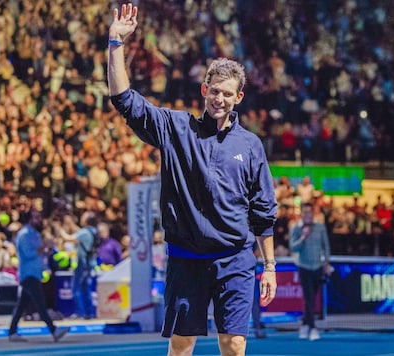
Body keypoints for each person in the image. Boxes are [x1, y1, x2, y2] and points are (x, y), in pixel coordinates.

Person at [107, 4, 278, 355]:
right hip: (186, 259)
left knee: (233, 343)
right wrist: (115, 45)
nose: (220, 98)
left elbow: (263, 212)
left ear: (238, 98)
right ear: (204, 90)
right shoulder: (175, 128)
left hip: (235, 260)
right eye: (215, 90)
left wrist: (270, 266)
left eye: (227, 93)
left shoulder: (250, 145)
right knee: (182, 345)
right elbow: (123, 100)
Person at [8, 210, 69, 342]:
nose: (39, 220)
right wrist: (42, 248)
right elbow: (27, 254)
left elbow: (38, 255)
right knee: (40, 303)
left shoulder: (35, 234)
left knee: (22, 305)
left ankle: (12, 331)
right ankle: (53, 330)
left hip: (35, 273)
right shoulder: (24, 235)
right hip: (28, 274)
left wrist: (47, 251)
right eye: (36, 217)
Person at [289, 202, 332, 341]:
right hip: (304, 267)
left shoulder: (320, 227)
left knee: (312, 299)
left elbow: (325, 246)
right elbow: (293, 247)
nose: (307, 215)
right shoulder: (296, 228)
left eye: (309, 212)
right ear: (301, 214)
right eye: (305, 212)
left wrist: (326, 264)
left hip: (317, 267)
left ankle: (305, 324)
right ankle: (313, 328)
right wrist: (303, 237)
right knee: (308, 298)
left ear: (313, 214)